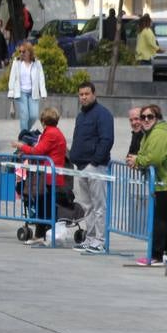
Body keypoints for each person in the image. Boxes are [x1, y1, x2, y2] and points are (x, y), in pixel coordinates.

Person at [128, 105, 167, 267]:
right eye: (143, 117)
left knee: (161, 220)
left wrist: (138, 161)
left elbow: (154, 158)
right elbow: (146, 154)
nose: (146, 120)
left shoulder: (158, 133)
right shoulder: (152, 133)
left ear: (157, 118)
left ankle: (156, 256)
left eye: (150, 116)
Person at [69, 81, 115, 255]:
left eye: (86, 94)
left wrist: (95, 161)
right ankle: (90, 238)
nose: (83, 97)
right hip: (80, 166)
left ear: (94, 94)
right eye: (81, 94)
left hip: (95, 166)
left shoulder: (103, 114)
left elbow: (107, 139)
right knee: (87, 206)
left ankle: (100, 240)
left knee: (99, 206)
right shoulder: (81, 116)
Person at [14, 105, 70, 244]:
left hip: (49, 177)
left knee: (43, 204)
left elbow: (38, 151)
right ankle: (42, 233)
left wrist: (21, 146)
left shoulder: (50, 133)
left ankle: (42, 234)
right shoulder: (54, 132)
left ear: (43, 121)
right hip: (50, 176)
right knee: (44, 204)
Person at [7, 41, 47, 133]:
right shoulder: (16, 63)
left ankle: (24, 132)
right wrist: (11, 92)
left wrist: (43, 92)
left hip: (33, 93)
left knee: (33, 116)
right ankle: (24, 136)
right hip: (21, 93)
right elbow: (12, 78)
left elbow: (41, 78)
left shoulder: (37, 63)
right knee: (24, 115)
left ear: (29, 52)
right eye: (20, 51)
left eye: (23, 51)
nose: (21, 53)